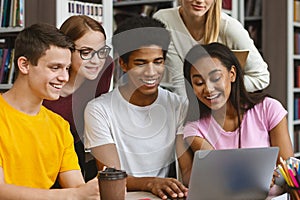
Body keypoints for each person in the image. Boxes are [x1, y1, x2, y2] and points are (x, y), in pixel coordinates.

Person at [84, 16, 192, 199]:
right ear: (123, 64)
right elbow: (111, 176)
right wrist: (150, 183)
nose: (151, 72)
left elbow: (187, 170)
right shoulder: (99, 110)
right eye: (140, 63)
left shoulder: (178, 106)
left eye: (158, 62)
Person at [0, 23, 99, 199]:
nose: (64, 78)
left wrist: (93, 190)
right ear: (24, 65)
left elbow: (76, 187)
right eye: (55, 67)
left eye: (67, 68)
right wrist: (74, 194)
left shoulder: (60, 126)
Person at [182, 42, 294, 185]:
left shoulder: (268, 108)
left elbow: (288, 171)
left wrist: (271, 178)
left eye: (215, 78)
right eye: (198, 82)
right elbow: (220, 172)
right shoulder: (194, 128)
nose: (208, 89)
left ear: (232, 74)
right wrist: (256, 176)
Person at [43, 15, 114, 182]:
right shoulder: (46, 85)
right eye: (86, 52)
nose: (96, 60)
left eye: (101, 51)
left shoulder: (105, 67)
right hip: (45, 154)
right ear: (66, 49)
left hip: (76, 149)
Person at [153, 0, 269, 97]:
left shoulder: (229, 27)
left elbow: (261, 77)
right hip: (182, 107)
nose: (199, 0)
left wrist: (223, 87)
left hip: (221, 109)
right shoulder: (164, 20)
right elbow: (179, 83)